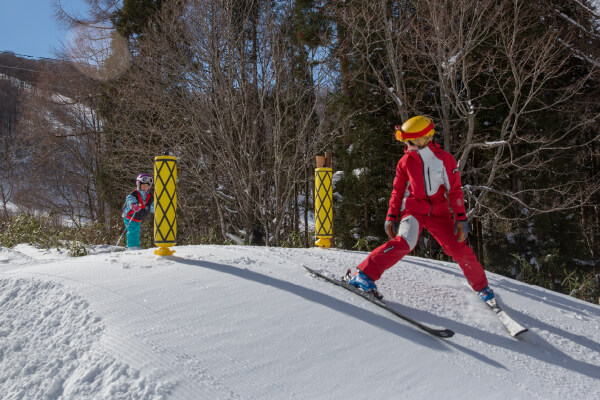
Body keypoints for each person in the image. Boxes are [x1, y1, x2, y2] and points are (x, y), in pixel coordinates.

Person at [347, 115, 494, 303]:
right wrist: (391, 215)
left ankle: (482, 288)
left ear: (424, 140)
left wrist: (460, 218)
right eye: (407, 142)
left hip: (439, 214)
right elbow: (397, 191)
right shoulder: (405, 162)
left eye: (411, 142)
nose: (408, 146)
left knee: (458, 249)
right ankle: (363, 274)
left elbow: (455, 191)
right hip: (413, 211)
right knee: (405, 242)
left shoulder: (445, 160)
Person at [122, 173, 155, 249]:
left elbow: (152, 206)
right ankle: (132, 247)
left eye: (147, 186)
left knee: (136, 231)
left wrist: (157, 210)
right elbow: (129, 199)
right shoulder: (135, 194)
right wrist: (133, 205)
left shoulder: (150, 196)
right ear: (138, 185)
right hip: (130, 216)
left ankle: (135, 246)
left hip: (138, 218)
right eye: (143, 185)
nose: (144, 188)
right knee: (133, 231)